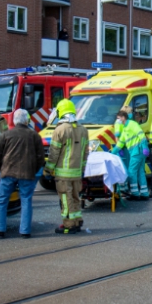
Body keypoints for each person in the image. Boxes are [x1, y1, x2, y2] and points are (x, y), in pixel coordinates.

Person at [0, 109, 45, 239]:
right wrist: (34, 169)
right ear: (27, 120)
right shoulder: (34, 136)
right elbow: (40, 158)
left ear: (14, 121)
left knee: (1, 200)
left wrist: (1, 169)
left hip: (8, 172)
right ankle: (25, 231)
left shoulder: (5, 135)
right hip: (27, 173)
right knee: (26, 200)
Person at [46, 99, 90, 234]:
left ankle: (69, 225)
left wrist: (48, 169)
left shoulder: (60, 129)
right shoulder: (83, 129)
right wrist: (82, 170)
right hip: (76, 172)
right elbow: (85, 153)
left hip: (63, 174)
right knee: (76, 197)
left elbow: (54, 153)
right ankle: (77, 221)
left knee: (66, 199)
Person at [115, 108, 149, 200]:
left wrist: (145, 146)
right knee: (140, 171)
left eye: (119, 118)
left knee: (131, 172)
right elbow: (121, 142)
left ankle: (135, 193)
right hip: (138, 151)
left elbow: (141, 135)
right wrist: (114, 151)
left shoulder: (132, 124)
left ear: (123, 117)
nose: (117, 121)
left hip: (137, 151)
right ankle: (144, 193)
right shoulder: (126, 127)